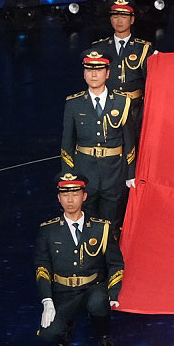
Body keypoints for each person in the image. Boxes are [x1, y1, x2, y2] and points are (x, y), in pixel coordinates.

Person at [35, 173, 122, 346]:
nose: (70, 200)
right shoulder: (48, 230)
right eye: (65, 195)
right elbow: (42, 267)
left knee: (99, 302)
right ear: (58, 198)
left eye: (75, 194)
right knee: (48, 334)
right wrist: (47, 300)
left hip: (92, 286)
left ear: (84, 196)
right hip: (63, 290)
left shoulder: (101, 228)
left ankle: (104, 337)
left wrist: (113, 292)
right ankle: (67, 325)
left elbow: (116, 263)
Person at [60, 50, 138, 228]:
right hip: (84, 173)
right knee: (86, 225)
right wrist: (68, 177)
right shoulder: (73, 104)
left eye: (99, 70)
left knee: (112, 225)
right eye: (89, 70)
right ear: (84, 73)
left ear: (108, 73)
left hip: (114, 173)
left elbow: (129, 141)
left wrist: (130, 174)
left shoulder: (122, 102)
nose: (94, 75)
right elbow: (67, 144)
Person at [88, 0, 156, 96]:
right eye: (115, 17)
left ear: (132, 20)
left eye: (124, 17)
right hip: (108, 102)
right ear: (111, 19)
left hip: (135, 103)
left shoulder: (143, 48)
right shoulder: (99, 47)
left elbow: (151, 81)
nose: (119, 21)